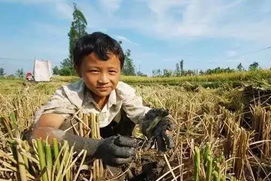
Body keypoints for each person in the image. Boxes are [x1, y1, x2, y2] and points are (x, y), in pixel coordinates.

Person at [31, 32, 174, 167]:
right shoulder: (68, 95)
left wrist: (157, 125)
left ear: (120, 71)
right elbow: (39, 133)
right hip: (77, 158)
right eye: (94, 71)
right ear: (78, 70)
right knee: (68, 123)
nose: (104, 80)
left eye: (112, 71)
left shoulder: (123, 92)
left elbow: (141, 114)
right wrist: (96, 147)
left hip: (116, 153)